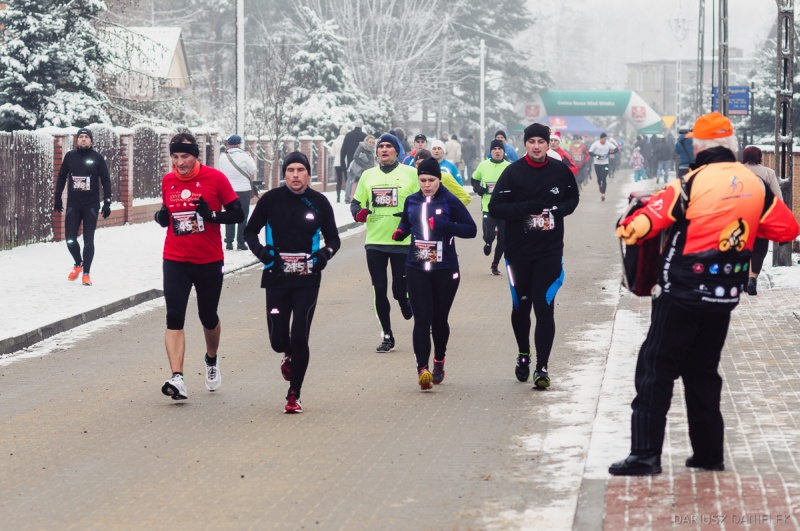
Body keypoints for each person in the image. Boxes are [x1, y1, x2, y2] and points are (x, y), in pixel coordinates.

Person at [609, 112, 799, 476]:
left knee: (655, 368)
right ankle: (708, 453)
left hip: (681, 292)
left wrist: (634, 219)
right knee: (703, 372)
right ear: (731, 147)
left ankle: (645, 455)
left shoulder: (689, 184)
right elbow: (787, 229)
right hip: (724, 296)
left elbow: (635, 228)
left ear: (698, 147)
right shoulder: (755, 185)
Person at [243, 152, 340, 413]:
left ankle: (293, 394)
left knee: (299, 336)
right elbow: (249, 231)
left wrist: (324, 255)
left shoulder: (319, 202)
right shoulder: (271, 200)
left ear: (308, 174)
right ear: (284, 173)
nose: (295, 175)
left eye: (300, 170)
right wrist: (261, 253)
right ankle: (287, 353)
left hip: (308, 279)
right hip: (276, 277)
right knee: (278, 341)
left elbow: (334, 239)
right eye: (290, 170)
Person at [488, 123, 580, 390]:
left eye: (541, 141)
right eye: (532, 142)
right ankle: (523, 353)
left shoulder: (560, 170)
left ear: (548, 144)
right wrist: (528, 208)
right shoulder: (512, 172)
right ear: (525, 144)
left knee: (544, 306)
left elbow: (572, 199)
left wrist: (558, 210)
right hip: (518, 251)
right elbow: (495, 208)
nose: (537, 146)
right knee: (521, 306)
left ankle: (542, 367)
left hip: (549, 250)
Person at [154, 132, 245, 400]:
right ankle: (178, 378)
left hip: (209, 260)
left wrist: (211, 214)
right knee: (174, 315)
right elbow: (167, 212)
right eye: (175, 157)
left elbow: (238, 213)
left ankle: (211, 359)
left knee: (208, 316)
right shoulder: (168, 180)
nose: (180, 162)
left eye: (185, 156)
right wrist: (161, 216)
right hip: (175, 259)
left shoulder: (215, 178)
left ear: (196, 155)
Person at [392, 157, 476, 390]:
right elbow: (407, 223)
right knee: (422, 318)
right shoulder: (411, 200)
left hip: (445, 269)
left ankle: (439, 360)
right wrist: (400, 232)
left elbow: (471, 230)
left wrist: (444, 226)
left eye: (431, 180)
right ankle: (423, 369)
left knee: (439, 319)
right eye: (423, 180)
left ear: (439, 179)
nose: (427, 185)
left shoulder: (450, 201)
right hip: (416, 266)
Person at [350, 133, 420, 352]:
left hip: (402, 241)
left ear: (396, 151)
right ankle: (387, 335)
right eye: (381, 147)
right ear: (377, 152)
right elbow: (356, 203)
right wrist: (359, 214)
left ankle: (404, 301)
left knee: (399, 290)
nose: (384, 150)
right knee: (379, 288)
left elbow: (422, 202)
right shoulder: (368, 175)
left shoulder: (411, 173)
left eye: (389, 146)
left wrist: (411, 217)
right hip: (375, 241)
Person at [53, 127, 112, 287]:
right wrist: (57, 197)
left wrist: (107, 202)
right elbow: (61, 177)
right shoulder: (70, 156)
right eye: (81, 137)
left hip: (91, 205)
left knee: (88, 240)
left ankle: (86, 274)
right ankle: (78, 263)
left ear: (91, 141)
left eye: (86, 137)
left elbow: (106, 180)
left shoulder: (97, 158)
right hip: (74, 203)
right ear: (77, 140)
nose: (83, 139)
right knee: (70, 239)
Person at [742, 146, 783, 296]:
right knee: (759, 249)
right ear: (760, 157)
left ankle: (744, 280)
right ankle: (752, 278)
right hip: (761, 216)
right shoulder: (768, 173)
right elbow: (778, 198)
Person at [472, 139, 511, 275]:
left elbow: (516, 184)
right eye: (494, 149)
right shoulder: (483, 165)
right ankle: (488, 243)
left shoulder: (509, 167)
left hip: (504, 208)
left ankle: (495, 264)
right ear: (491, 151)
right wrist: (479, 189)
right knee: (489, 235)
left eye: (500, 149)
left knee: (503, 238)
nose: (497, 151)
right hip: (488, 207)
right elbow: (474, 179)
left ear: (503, 151)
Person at [217, 134, 258, 251]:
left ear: (228, 144)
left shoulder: (223, 157)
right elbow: (253, 170)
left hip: (228, 189)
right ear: (239, 144)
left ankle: (229, 242)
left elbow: (221, 171)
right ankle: (241, 242)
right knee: (243, 216)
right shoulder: (245, 156)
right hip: (244, 190)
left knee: (230, 215)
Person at [345, 135, 376, 202]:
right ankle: (349, 198)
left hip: (367, 171)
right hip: (357, 170)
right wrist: (364, 166)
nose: (371, 144)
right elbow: (355, 157)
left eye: (373, 142)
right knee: (353, 183)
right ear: (366, 141)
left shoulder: (373, 150)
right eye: (370, 142)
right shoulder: (362, 146)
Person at [588, 132, 617, 201]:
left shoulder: (608, 144)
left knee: (604, 178)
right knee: (599, 178)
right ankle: (600, 186)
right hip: (597, 164)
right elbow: (590, 152)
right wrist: (596, 156)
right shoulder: (595, 144)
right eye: (604, 139)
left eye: (606, 139)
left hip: (605, 164)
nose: (605, 140)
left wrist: (609, 153)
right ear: (601, 138)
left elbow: (616, 149)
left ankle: (603, 194)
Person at [329, 125, 348, 202]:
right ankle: (347, 196)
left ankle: (338, 197)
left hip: (337, 162)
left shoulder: (335, 141)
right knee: (347, 180)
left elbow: (332, 153)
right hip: (346, 162)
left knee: (339, 180)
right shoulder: (347, 141)